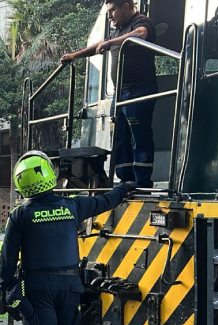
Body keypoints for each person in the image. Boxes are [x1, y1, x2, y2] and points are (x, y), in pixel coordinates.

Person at [0, 150, 136, 325]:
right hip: (70, 285)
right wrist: (123, 189)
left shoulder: (20, 216)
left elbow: (7, 260)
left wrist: (7, 291)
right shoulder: (72, 206)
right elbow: (103, 202)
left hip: (38, 287)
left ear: (21, 184)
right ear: (49, 176)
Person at [61, 0, 157, 188]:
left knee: (139, 137)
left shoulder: (140, 21)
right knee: (119, 139)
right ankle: (126, 181)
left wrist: (110, 43)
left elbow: (141, 34)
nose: (109, 15)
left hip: (140, 90)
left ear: (127, 6)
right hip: (119, 94)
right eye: (108, 11)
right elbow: (98, 45)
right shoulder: (117, 30)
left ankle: (143, 182)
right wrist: (75, 55)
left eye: (113, 10)